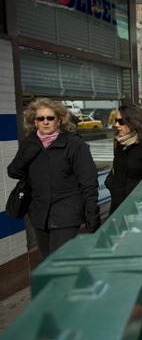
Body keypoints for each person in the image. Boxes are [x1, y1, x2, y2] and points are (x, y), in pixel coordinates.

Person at [8, 98, 100, 258]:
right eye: (40, 118)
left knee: (59, 261)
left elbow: (88, 181)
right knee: (47, 261)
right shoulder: (29, 143)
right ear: (34, 121)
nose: (45, 122)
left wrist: (92, 213)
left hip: (66, 213)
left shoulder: (74, 144)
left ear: (59, 120)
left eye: (50, 118)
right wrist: (26, 156)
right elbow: (13, 172)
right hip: (39, 213)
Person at [105, 104, 142, 214]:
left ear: (134, 122)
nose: (116, 125)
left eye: (121, 122)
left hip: (138, 209)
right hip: (118, 207)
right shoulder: (120, 144)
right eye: (116, 121)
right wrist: (111, 183)